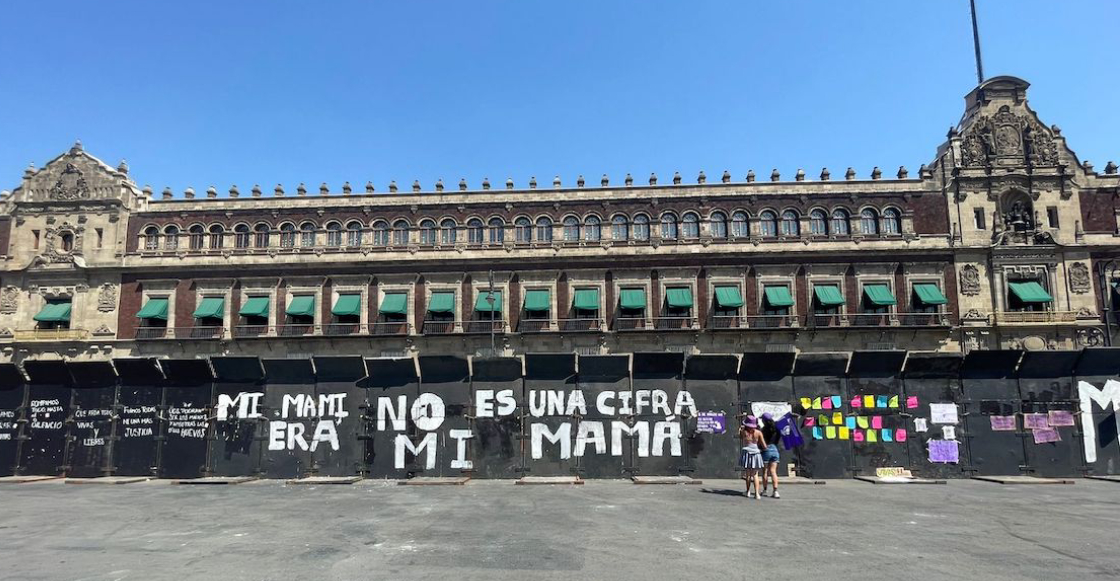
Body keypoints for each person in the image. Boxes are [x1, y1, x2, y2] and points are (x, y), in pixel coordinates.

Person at [738, 415, 766, 499]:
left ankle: (748, 491)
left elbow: (740, 437)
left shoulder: (744, 432)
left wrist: (740, 430)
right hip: (756, 452)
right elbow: (764, 445)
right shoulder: (758, 433)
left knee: (748, 474)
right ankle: (757, 494)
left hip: (747, 452)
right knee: (755, 474)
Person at [759, 413, 781, 498]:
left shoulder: (763, 430)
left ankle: (765, 490)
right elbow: (778, 439)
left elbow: (761, 441)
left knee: (765, 471)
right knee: (773, 471)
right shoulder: (777, 429)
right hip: (775, 449)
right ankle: (775, 491)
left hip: (766, 450)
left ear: (764, 420)